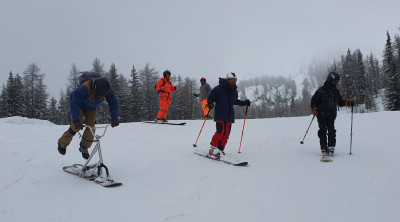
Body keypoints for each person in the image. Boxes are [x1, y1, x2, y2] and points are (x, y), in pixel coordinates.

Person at [57, 75, 119, 159]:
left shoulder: (107, 90)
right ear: (96, 88)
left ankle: (84, 147)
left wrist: (114, 117)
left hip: (91, 108)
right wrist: (76, 120)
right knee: (76, 126)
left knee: (91, 128)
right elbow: (74, 102)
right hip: (79, 106)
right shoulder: (85, 87)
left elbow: (113, 103)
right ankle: (62, 143)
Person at [311, 71, 355, 157]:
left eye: (337, 82)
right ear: (329, 79)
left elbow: (340, 102)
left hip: (331, 114)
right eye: (334, 81)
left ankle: (331, 146)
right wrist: (314, 108)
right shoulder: (320, 91)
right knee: (322, 131)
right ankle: (324, 147)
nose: (335, 83)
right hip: (321, 114)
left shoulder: (335, 91)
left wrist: (348, 103)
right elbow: (314, 101)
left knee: (331, 130)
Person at [206, 72, 251, 158]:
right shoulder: (218, 89)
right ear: (227, 79)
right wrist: (210, 103)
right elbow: (211, 97)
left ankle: (220, 150)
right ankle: (212, 149)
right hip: (220, 114)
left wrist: (244, 103)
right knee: (220, 132)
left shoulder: (234, 91)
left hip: (229, 115)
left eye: (235, 80)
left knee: (226, 134)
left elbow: (235, 101)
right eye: (231, 80)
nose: (233, 82)